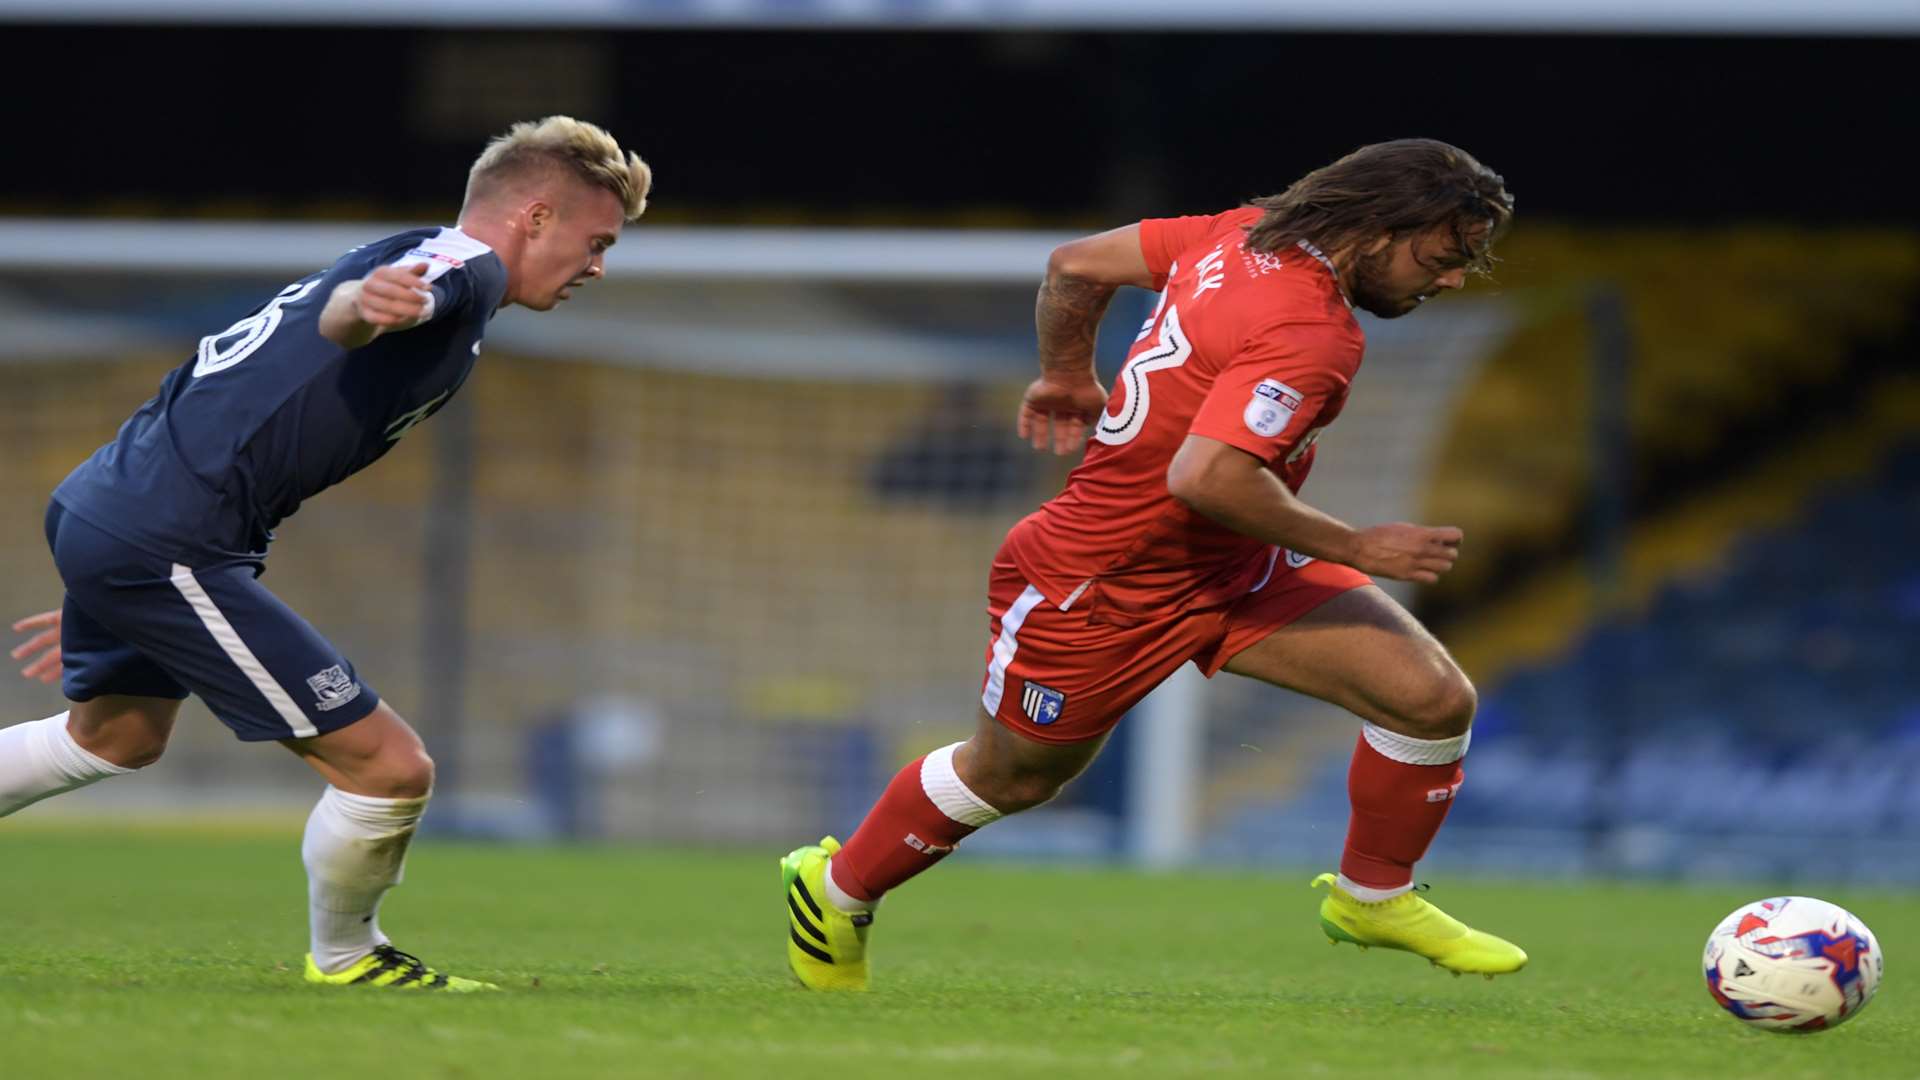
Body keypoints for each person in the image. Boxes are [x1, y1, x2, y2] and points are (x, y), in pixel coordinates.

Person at [782, 139, 1525, 991]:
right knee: (1015, 777)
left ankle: (1373, 895)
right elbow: (1205, 476)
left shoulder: (1235, 234)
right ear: (1378, 228)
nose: (1454, 279)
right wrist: (1357, 547)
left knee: (1430, 700)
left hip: (1234, 565)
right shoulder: (1310, 331)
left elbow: (1075, 264)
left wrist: (1066, 375)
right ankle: (834, 890)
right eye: (1444, 255)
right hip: (1100, 580)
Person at [2, 116, 651, 992]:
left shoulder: (419, 249)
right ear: (535, 218)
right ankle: (351, 959)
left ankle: (351, 955)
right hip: (162, 535)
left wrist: (115, 571)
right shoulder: (461, 265)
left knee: (115, 735)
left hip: (124, 511)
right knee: (390, 768)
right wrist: (372, 309)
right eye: (597, 239)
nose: (599, 266)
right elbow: (374, 307)